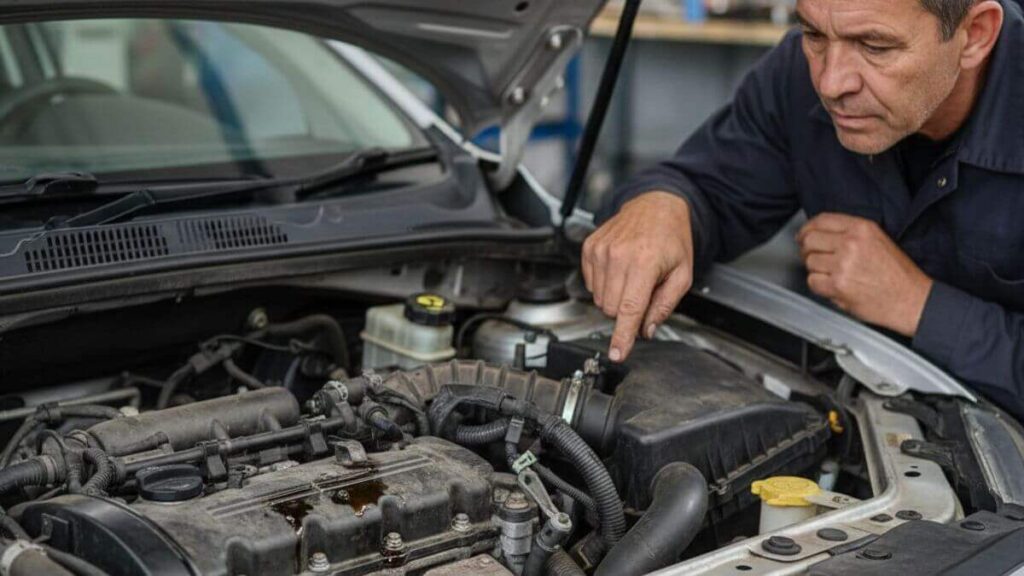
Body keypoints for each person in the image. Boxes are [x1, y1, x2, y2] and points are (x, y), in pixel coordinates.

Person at [583, 0, 1024, 418]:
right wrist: (663, 204)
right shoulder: (798, 74)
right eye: (813, 33)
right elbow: (707, 186)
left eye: (875, 46)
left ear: (975, 35)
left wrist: (920, 306)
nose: (831, 83)